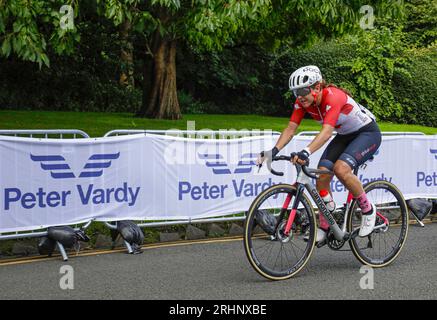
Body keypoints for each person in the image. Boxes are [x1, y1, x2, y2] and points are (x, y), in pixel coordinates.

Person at [257, 65, 382, 243]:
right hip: (345, 135)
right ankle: (325, 224)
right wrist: (273, 151)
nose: (299, 96)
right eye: (295, 93)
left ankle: (368, 210)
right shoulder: (303, 102)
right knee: (322, 173)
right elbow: (291, 128)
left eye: (302, 91)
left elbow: (326, 132)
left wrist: (306, 151)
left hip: (367, 133)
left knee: (341, 169)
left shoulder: (333, 96)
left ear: (317, 87)